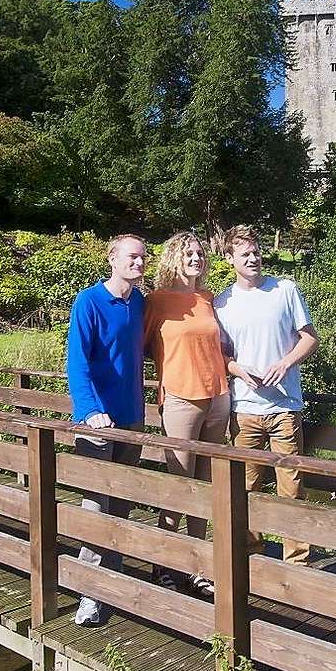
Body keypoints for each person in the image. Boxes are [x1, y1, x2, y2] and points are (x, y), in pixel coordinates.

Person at [143, 231, 245, 595]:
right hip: (181, 399)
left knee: (204, 488)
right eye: (188, 253)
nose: (196, 258)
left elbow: (223, 346)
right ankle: (166, 565)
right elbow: (135, 348)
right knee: (179, 486)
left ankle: (199, 567)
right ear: (173, 257)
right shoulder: (155, 301)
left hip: (217, 397)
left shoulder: (207, 299)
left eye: (200, 253)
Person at [213, 225, 319, 565]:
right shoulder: (222, 303)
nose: (253, 258)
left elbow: (310, 338)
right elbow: (222, 357)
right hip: (243, 409)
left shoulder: (285, 290)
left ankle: (297, 560)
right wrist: (239, 370)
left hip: (285, 408)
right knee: (246, 488)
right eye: (244, 254)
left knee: (292, 488)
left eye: (256, 251)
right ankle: (251, 555)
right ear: (229, 259)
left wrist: (286, 363)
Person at [66, 234, 148, 627]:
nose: (139, 263)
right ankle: (89, 591)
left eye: (143, 258)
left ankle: (111, 577)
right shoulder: (89, 302)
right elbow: (77, 363)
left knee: (122, 503)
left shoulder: (140, 304)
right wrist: (90, 411)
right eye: (132, 257)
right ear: (112, 260)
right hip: (99, 423)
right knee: (96, 505)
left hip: (131, 418)